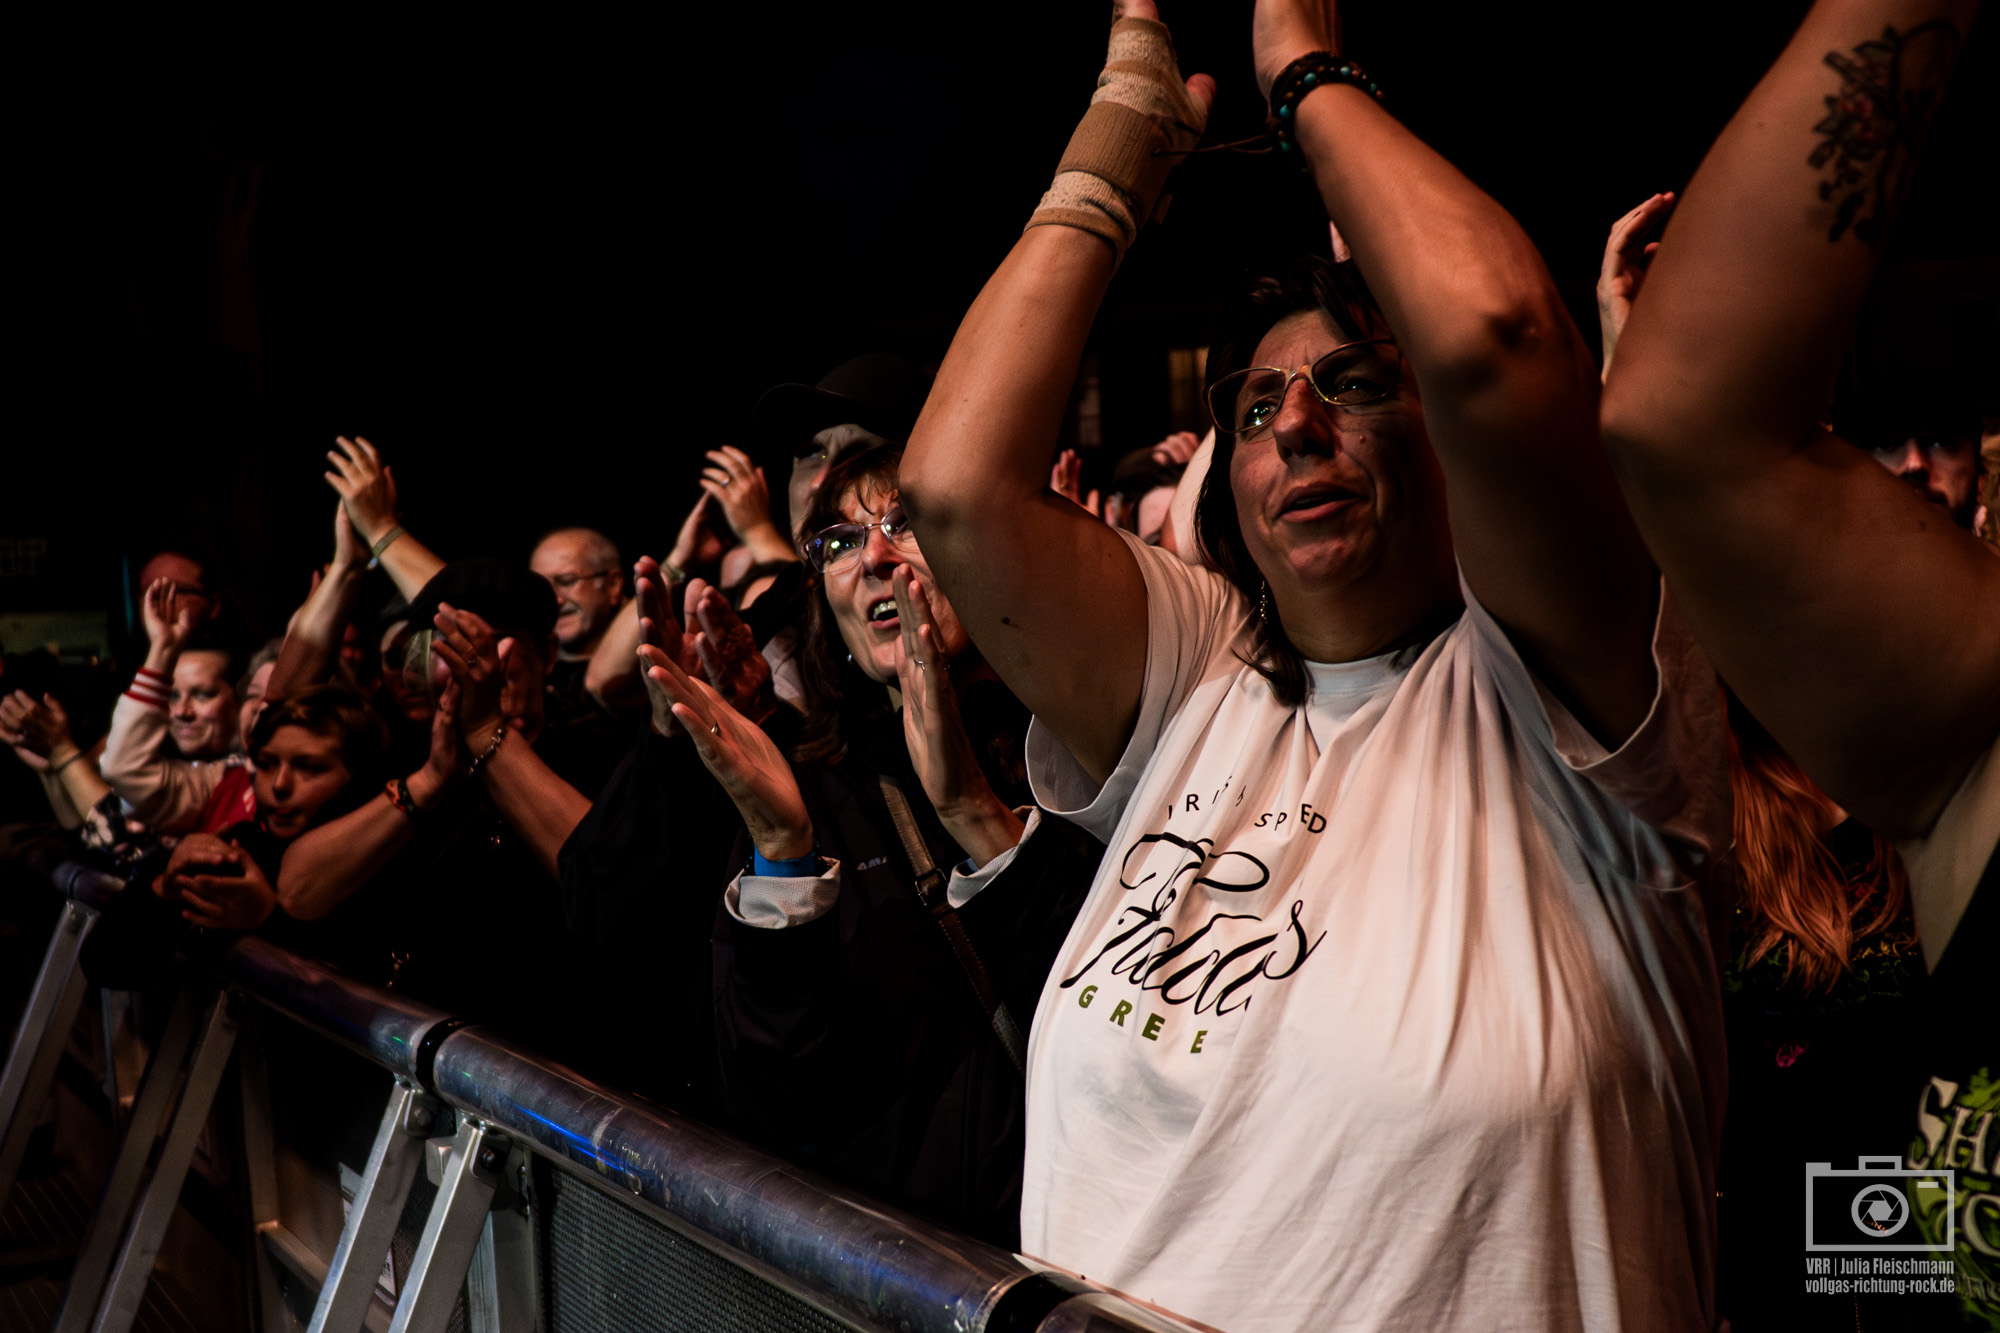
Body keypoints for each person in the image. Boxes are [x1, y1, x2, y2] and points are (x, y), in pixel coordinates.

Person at [897, 3, 1731, 1329]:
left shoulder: (1559, 689)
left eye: (1354, 385)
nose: (1293, 422)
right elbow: (952, 488)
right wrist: (1121, 144)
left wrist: (1299, 68)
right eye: (1254, 405)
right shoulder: (1197, 674)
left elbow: (1496, 332)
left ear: (1451, 444)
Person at [1599, 0, 1994, 1322]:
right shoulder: (1734, 764)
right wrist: (1628, 369)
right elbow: (1685, 458)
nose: (1915, 476)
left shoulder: (1938, 752)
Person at [645, 442, 1099, 1246]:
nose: (873, 558)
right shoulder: (812, 793)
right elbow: (772, 1099)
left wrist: (973, 812)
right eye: (840, 542)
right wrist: (783, 852)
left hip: (1098, 1244)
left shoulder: (1087, 747)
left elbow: (1126, 1018)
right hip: (925, 1273)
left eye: (904, 521)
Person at [97, 578, 248, 833]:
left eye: (203, 695)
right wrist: (162, 647)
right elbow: (122, 769)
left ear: (241, 701)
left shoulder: (245, 774)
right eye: (172, 697)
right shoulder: (182, 774)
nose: (181, 712)